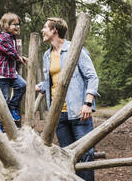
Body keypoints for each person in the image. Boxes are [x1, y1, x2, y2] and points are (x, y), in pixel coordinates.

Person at [36, 17, 99, 180]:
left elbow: (92, 77)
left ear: (54, 30)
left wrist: (88, 103)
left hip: (79, 111)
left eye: (45, 27)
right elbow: (54, 80)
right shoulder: (46, 55)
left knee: (86, 154)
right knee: (66, 156)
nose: (42, 31)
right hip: (58, 115)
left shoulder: (75, 49)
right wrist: (40, 86)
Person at [0, 12, 28, 126]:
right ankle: (3, 126)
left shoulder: (12, 38)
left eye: (18, 24)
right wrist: (19, 58)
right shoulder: (3, 37)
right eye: (14, 24)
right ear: (6, 25)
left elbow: (12, 53)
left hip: (11, 73)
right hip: (1, 74)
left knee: (22, 85)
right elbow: (11, 52)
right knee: (4, 101)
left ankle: (13, 107)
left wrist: (20, 57)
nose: (17, 27)